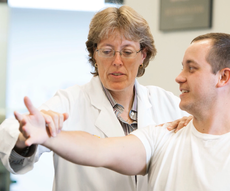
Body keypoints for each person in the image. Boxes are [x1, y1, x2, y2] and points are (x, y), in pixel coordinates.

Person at [15, 32, 230, 191]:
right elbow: (99, 149)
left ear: (223, 77)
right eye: (107, 51)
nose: (179, 77)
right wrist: (48, 136)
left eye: (191, 69)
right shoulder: (164, 135)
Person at [0, 5, 190, 191]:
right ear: (94, 55)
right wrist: (23, 136)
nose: (117, 61)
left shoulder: (167, 103)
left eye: (127, 52)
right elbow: (9, 139)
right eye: (107, 51)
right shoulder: (69, 102)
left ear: (143, 55)